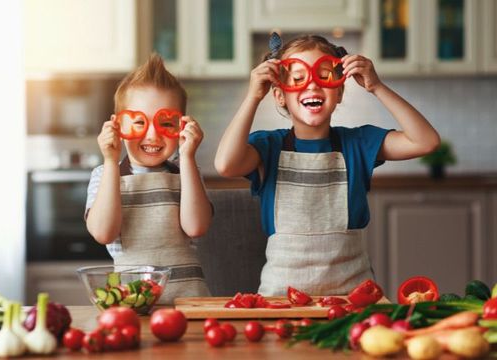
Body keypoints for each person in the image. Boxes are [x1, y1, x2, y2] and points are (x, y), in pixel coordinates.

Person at [215, 34, 440, 296]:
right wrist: (252, 97)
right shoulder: (268, 147)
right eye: (298, 79)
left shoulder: (358, 143)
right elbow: (225, 165)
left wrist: (376, 86)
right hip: (280, 303)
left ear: (340, 91)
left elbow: (425, 141)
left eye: (323, 76)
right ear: (279, 95)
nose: (311, 86)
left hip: (354, 302)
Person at [85, 54, 212, 303]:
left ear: (182, 126)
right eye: (139, 122)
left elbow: (196, 227)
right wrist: (111, 161)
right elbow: (103, 233)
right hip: (132, 302)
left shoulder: (187, 173)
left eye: (166, 123)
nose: (152, 135)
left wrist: (187, 158)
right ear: (118, 126)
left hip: (189, 303)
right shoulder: (105, 175)